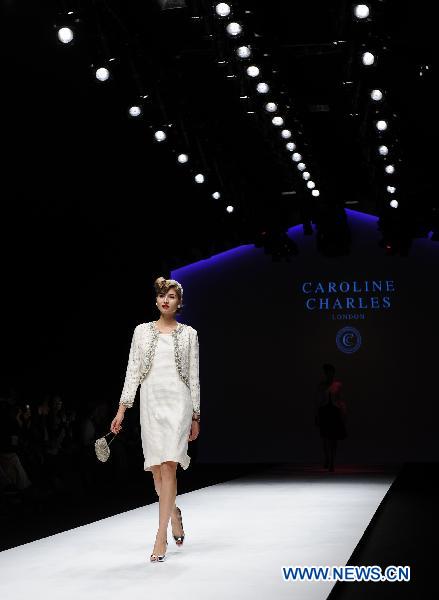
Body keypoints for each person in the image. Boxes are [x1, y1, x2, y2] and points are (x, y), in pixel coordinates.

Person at [110, 276, 200, 562]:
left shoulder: (189, 334)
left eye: (171, 296)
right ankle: (172, 511)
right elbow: (132, 372)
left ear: (179, 302)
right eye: (162, 295)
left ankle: (160, 537)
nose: (166, 300)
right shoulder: (141, 332)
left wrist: (196, 414)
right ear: (156, 300)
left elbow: (194, 376)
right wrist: (122, 409)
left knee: (170, 465)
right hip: (151, 402)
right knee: (157, 472)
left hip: (179, 401)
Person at [314, 363, 347, 472]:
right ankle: (327, 458)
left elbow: (340, 399)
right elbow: (318, 401)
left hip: (334, 411)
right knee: (325, 437)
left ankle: (332, 461)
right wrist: (317, 415)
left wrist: (343, 413)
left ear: (333, 373)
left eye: (330, 372)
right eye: (327, 372)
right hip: (324, 411)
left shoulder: (338, 385)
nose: (329, 374)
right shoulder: (321, 385)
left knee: (333, 438)